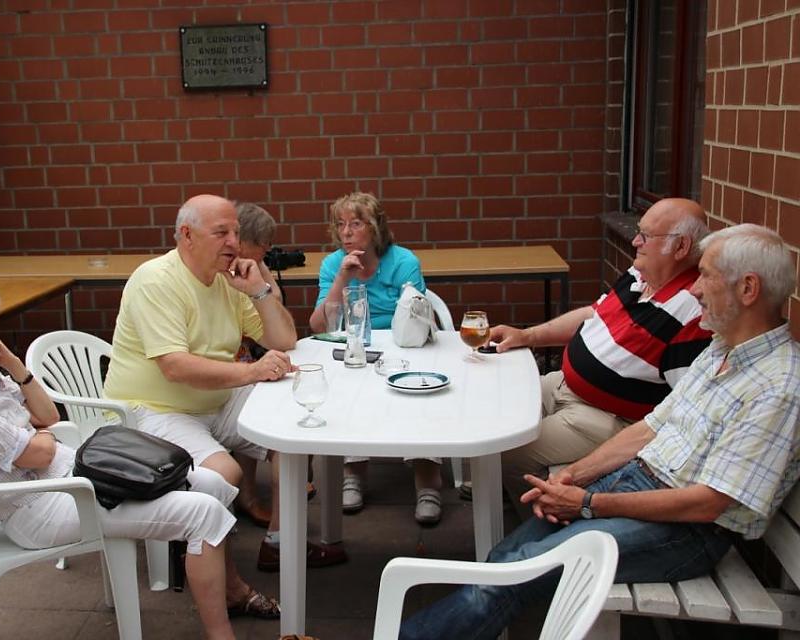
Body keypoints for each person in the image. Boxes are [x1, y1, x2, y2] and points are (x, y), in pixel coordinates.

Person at [399, 223, 800, 640]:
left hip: (685, 531)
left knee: (515, 573)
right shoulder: (721, 349)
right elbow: (649, 428)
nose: (695, 289)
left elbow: (709, 503)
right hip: (634, 482)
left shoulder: (778, 386)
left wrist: (589, 503)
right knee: (504, 556)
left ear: (748, 289)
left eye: (706, 276)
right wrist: (574, 477)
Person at [0, 269, 277, 640]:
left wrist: (15, 367)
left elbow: (48, 417)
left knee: (212, 484)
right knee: (203, 513)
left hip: (67, 474)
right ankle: (221, 632)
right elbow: (37, 453)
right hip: (36, 506)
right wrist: (39, 439)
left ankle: (229, 590)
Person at [104, 194, 347, 572]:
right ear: (187, 235)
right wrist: (253, 371)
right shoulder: (156, 280)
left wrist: (260, 291)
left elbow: (284, 340)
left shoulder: (226, 281)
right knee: (224, 473)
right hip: (152, 411)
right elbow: (175, 367)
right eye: (221, 233)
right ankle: (219, 577)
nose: (234, 242)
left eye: (235, 232)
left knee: (295, 432)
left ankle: (279, 544)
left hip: (212, 401)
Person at [490, 198, 713, 517]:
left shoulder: (691, 311)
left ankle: (536, 529)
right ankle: (505, 494)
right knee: (494, 404)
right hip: (563, 385)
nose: (635, 241)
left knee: (504, 452)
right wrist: (528, 336)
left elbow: (682, 407)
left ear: (681, 247)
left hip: (603, 418)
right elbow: (595, 314)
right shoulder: (641, 275)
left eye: (646, 236)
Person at [306, 192, 443, 524]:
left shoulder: (403, 262)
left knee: (419, 391)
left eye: (356, 224)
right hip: (357, 345)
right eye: (341, 225)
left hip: (404, 344)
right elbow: (319, 327)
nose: (346, 232)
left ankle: (427, 481)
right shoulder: (333, 264)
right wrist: (343, 278)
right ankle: (353, 473)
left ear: (376, 228)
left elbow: (415, 320)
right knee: (346, 386)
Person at [232, 202, 315, 527]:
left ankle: (277, 485)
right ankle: (250, 495)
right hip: (233, 362)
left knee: (287, 388)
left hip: (248, 352)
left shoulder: (250, 267)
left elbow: (273, 300)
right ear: (244, 242)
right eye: (263, 244)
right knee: (270, 401)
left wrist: (261, 266)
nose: (268, 250)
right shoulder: (230, 276)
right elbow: (272, 309)